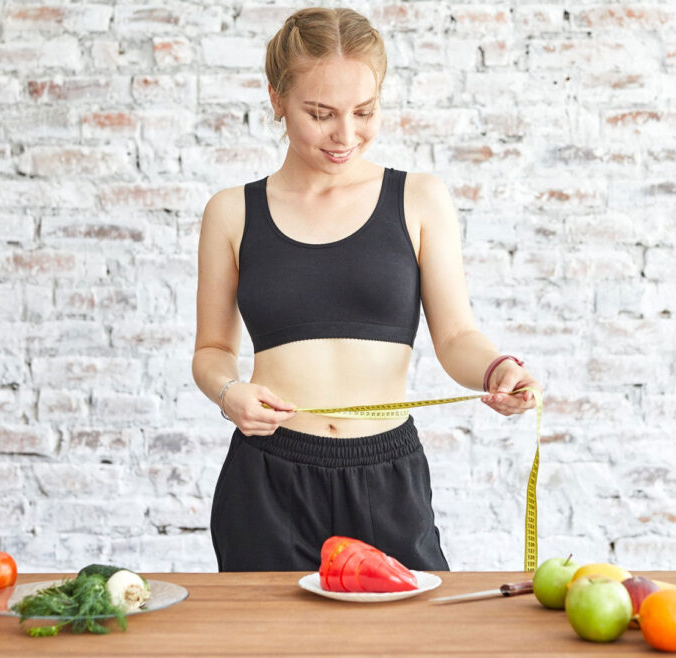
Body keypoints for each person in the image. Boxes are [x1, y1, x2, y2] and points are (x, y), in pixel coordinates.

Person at [191, 7, 541, 573]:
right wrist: (228, 392)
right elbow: (211, 350)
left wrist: (497, 369)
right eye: (320, 114)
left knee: (411, 622)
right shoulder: (232, 212)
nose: (346, 135)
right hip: (267, 480)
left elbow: (456, 336)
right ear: (277, 99)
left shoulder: (419, 199)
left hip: (387, 473)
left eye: (365, 111)